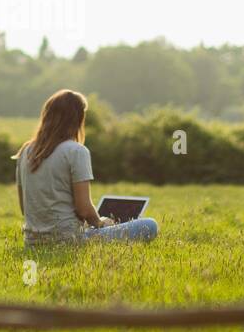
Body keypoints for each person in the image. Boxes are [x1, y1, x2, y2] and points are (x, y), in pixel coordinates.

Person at [14, 89, 159, 246]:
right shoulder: (76, 151)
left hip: (33, 242)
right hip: (69, 240)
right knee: (149, 225)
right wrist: (100, 223)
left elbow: (25, 209)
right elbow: (83, 209)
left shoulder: (25, 151)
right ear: (78, 119)